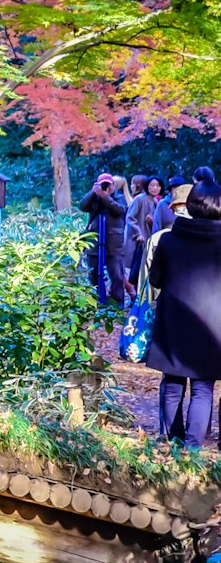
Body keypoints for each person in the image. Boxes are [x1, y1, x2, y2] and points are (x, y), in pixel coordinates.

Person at [144, 177, 221, 448]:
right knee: (202, 388)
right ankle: (193, 450)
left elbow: (155, 280)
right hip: (211, 323)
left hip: (173, 318)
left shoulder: (169, 239)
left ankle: (173, 444)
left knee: (173, 383)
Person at [81, 173, 127, 306]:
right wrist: (93, 192)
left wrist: (105, 196)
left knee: (117, 275)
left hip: (114, 244)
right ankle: (96, 301)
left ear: (113, 185)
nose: (106, 187)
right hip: (95, 242)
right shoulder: (94, 198)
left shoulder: (119, 198)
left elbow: (119, 210)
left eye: (108, 184)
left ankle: (117, 303)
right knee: (93, 274)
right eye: (103, 184)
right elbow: (82, 206)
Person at [127, 174, 164, 291]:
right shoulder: (139, 199)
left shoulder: (155, 202)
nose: (155, 188)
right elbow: (130, 218)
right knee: (136, 269)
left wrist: (152, 222)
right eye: (152, 185)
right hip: (138, 240)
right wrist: (138, 233)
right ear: (147, 186)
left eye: (158, 186)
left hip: (148, 240)